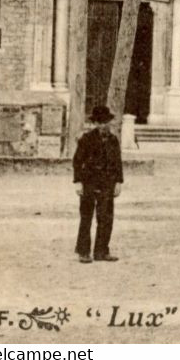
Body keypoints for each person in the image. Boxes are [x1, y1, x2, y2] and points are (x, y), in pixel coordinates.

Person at [72, 104, 123, 263]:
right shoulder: (86, 139)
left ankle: (102, 251)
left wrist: (118, 182)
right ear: (94, 123)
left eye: (105, 122)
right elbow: (77, 161)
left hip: (108, 182)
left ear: (109, 122)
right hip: (89, 181)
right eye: (99, 122)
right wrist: (78, 182)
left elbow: (117, 162)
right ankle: (84, 252)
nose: (102, 125)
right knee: (86, 216)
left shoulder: (113, 140)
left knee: (106, 217)